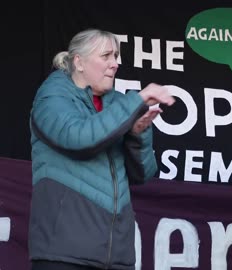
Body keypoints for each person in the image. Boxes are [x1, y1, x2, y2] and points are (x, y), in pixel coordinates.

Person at [28, 29, 175, 270]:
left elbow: (143, 174)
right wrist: (137, 100)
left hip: (116, 257)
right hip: (63, 255)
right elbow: (80, 138)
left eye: (116, 56)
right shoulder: (51, 97)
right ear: (79, 62)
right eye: (106, 56)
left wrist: (137, 134)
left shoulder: (118, 103)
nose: (115, 64)